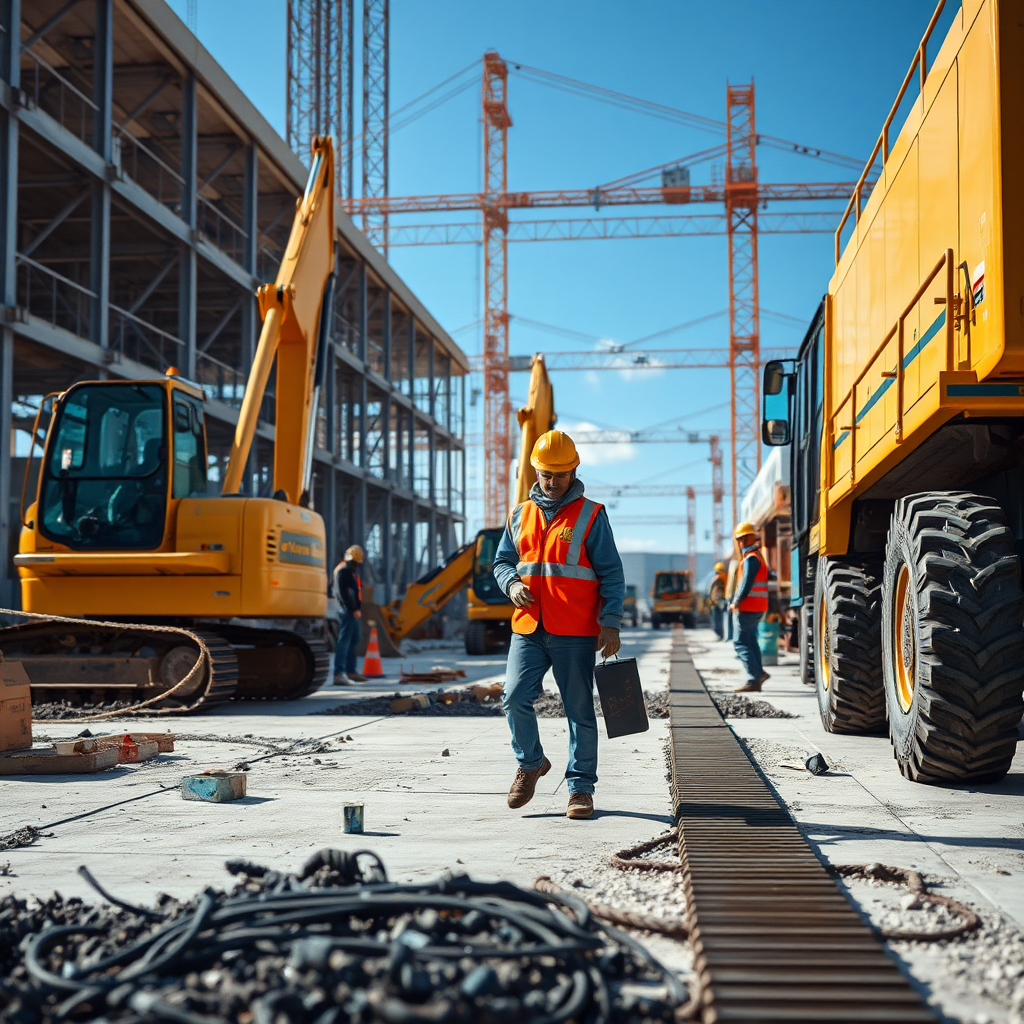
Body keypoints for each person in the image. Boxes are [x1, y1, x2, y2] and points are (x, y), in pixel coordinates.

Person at [493, 429, 625, 821]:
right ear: (536, 471)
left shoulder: (591, 515)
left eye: (560, 475)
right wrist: (511, 583)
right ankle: (531, 763)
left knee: (579, 711)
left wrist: (611, 623)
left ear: (574, 471)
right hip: (530, 628)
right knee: (513, 696)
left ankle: (581, 788)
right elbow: (502, 562)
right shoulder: (519, 515)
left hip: (575, 630)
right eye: (546, 474)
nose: (552, 483)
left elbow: (611, 574)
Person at [729, 522, 770, 693]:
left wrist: (736, 602)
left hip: (748, 607)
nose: (738, 544)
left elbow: (746, 583)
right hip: (757, 606)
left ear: (744, 539)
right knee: (751, 641)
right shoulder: (757, 556)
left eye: (739, 540)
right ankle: (759, 673)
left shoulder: (751, 558)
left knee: (741, 642)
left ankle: (754, 678)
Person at [332, 545, 368, 686]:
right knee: (344, 642)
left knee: (354, 639)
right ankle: (339, 674)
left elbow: (355, 591)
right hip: (348, 612)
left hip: (353, 612)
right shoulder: (344, 572)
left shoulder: (351, 573)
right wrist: (352, 609)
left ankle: (351, 671)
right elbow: (343, 594)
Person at [707, 561, 727, 640]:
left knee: (717, 619)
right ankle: (719, 634)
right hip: (716, 601)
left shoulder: (720, 577)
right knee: (717, 619)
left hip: (717, 601)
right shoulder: (723, 577)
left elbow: (716, 591)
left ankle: (719, 635)